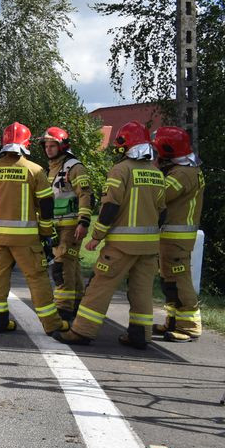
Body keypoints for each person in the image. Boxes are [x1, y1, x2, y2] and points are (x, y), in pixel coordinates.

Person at [55, 121, 166, 349]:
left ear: (127, 145)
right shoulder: (157, 173)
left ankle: (82, 331)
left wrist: (96, 236)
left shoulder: (121, 170)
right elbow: (162, 212)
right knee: (142, 292)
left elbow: (110, 207)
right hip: (149, 247)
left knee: (98, 287)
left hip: (121, 246)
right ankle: (140, 335)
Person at [0, 122, 68, 335]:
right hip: (27, 240)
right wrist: (46, 234)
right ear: (26, 143)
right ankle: (52, 325)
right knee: (37, 279)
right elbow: (46, 207)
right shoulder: (35, 171)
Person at [153, 126, 205, 341]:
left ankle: (190, 326)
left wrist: (151, 171)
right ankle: (174, 321)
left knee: (179, 279)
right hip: (172, 237)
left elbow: (159, 196)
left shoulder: (182, 173)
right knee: (170, 281)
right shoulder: (187, 169)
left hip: (177, 237)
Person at [40, 127, 94, 322]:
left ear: (62, 146)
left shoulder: (74, 167)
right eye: (46, 146)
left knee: (61, 267)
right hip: (57, 226)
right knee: (71, 267)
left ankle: (63, 309)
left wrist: (84, 222)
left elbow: (85, 195)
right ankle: (77, 302)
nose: (49, 149)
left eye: (52, 145)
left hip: (71, 226)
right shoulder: (50, 169)